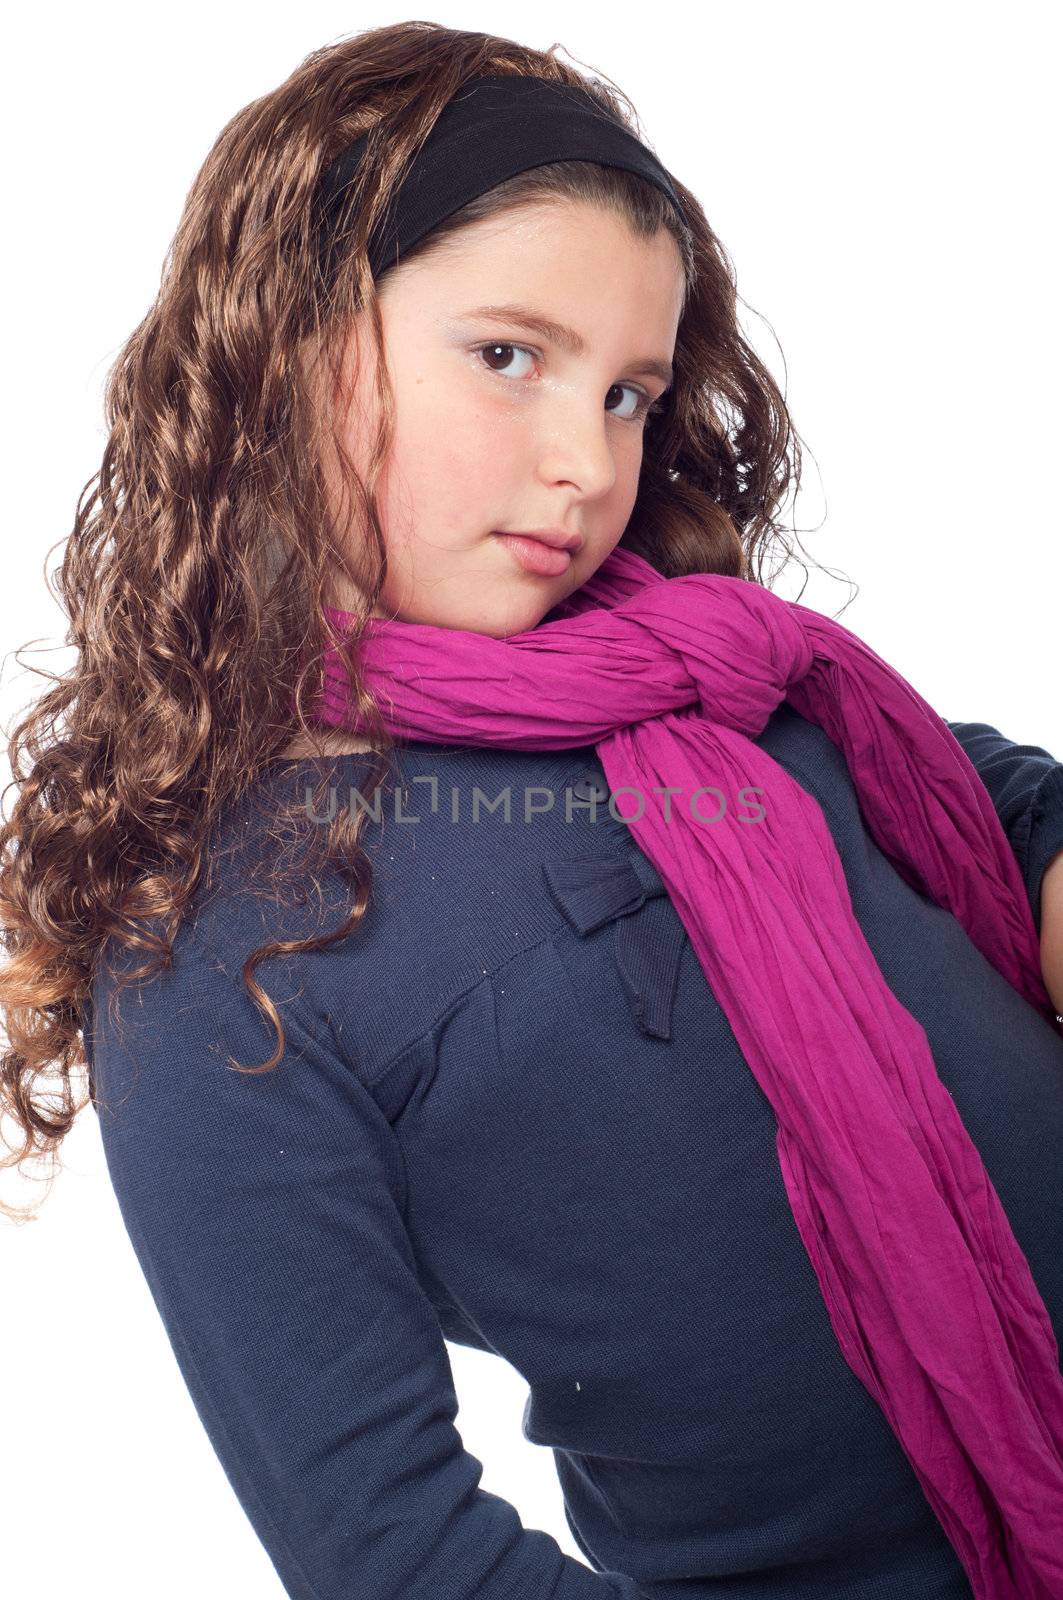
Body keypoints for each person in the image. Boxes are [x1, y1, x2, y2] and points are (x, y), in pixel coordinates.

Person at [2, 21, 1063, 1600]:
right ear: (286, 344)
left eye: (631, 392)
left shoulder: (718, 668)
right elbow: (391, 1549)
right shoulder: (221, 961)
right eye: (508, 356)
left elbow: (1001, 817)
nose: (586, 460)